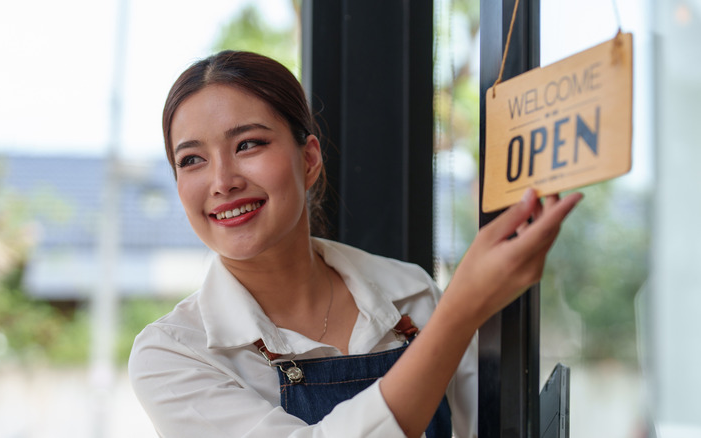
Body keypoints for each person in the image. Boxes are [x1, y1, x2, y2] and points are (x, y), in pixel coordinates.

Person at [128, 50, 583, 438]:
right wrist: (461, 312)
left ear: (308, 160)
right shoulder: (172, 354)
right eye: (192, 160)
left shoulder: (409, 292)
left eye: (247, 144)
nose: (222, 181)